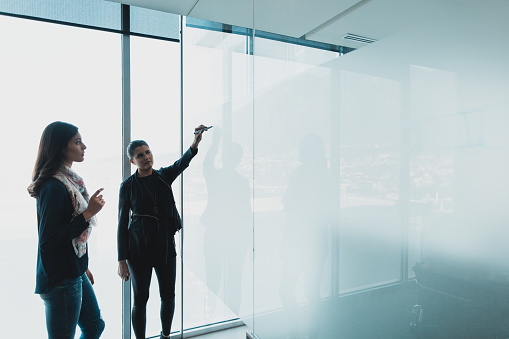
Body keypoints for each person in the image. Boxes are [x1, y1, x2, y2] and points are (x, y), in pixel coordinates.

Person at [117, 125, 207, 339]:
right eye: (140, 155)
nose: (146, 157)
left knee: (168, 296)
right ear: (132, 161)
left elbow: (182, 163)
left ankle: (165, 336)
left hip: (166, 247)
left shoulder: (163, 176)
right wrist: (121, 260)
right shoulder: (127, 186)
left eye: (148, 152)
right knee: (140, 300)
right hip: (138, 250)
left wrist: (194, 143)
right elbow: (121, 224)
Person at [28, 121, 106, 339]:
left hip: (73, 272)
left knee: (95, 326)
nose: (84, 147)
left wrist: (82, 266)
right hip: (61, 280)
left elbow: (70, 237)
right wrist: (88, 213)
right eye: (78, 142)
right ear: (62, 147)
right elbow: (49, 241)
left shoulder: (69, 181)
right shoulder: (53, 187)